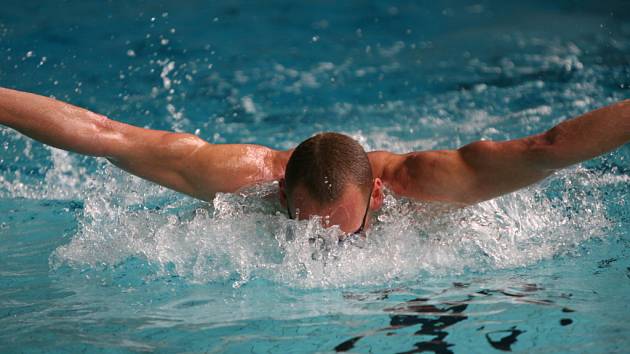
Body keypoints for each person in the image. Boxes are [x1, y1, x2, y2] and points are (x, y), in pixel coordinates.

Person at [1, 87, 628, 234]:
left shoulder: (426, 185)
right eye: (310, 230)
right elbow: (103, 132)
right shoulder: (236, 177)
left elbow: (549, 148)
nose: (327, 249)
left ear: (377, 197)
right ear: (280, 197)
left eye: (345, 229)